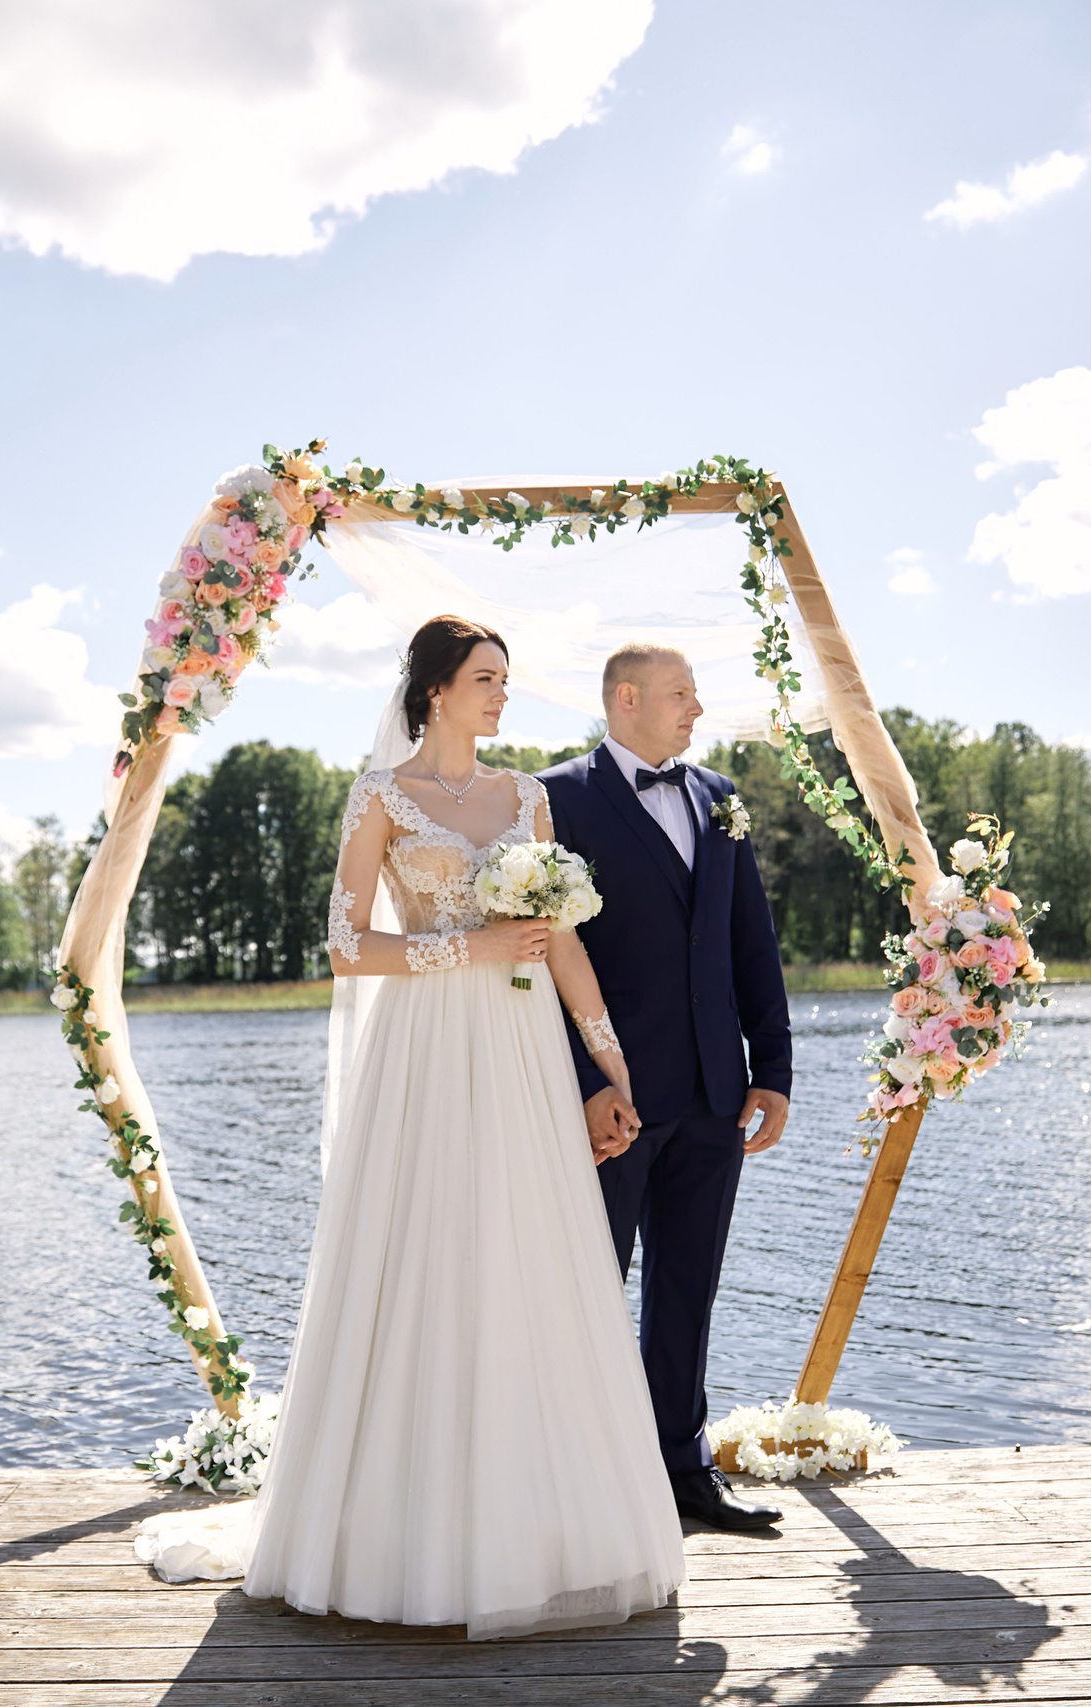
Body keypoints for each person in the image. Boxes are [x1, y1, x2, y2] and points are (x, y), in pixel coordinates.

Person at [136, 615, 684, 1640]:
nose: (499, 696)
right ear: (433, 690)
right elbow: (347, 947)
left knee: (530, 1260)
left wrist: (610, 1061)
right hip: (424, 1052)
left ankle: (550, 1529)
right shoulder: (381, 799)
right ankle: (394, 1537)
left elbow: (559, 945)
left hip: (520, 1054)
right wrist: (467, 950)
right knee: (422, 1255)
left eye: (505, 682)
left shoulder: (528, 799)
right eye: (484, 678)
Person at [537, 642, 794, 1533]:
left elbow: (750, 941)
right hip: (609, 1101)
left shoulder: (719, 799)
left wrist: (775, 1069)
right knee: (587, 1286)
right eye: (682, 693)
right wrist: (580, 1082)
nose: (697, 707)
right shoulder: (553, 798)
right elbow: (535, 964)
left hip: (716, 1095)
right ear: (627, 698)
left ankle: (681, 1471)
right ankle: (577, 1478)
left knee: (688, 1285)